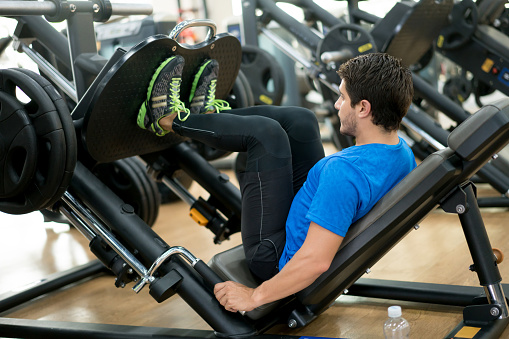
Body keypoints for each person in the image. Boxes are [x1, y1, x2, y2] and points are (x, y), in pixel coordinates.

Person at [137, 52, 417, 313]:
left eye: (342, 98)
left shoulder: (343, 173)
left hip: (274, 255)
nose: (336, 104)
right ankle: (208, 118)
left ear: (364, 108)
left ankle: (165, 120)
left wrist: (253, 296)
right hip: (302, 225)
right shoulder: (402, 153)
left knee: (265, 134)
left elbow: (316, 260)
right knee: (302, 120)